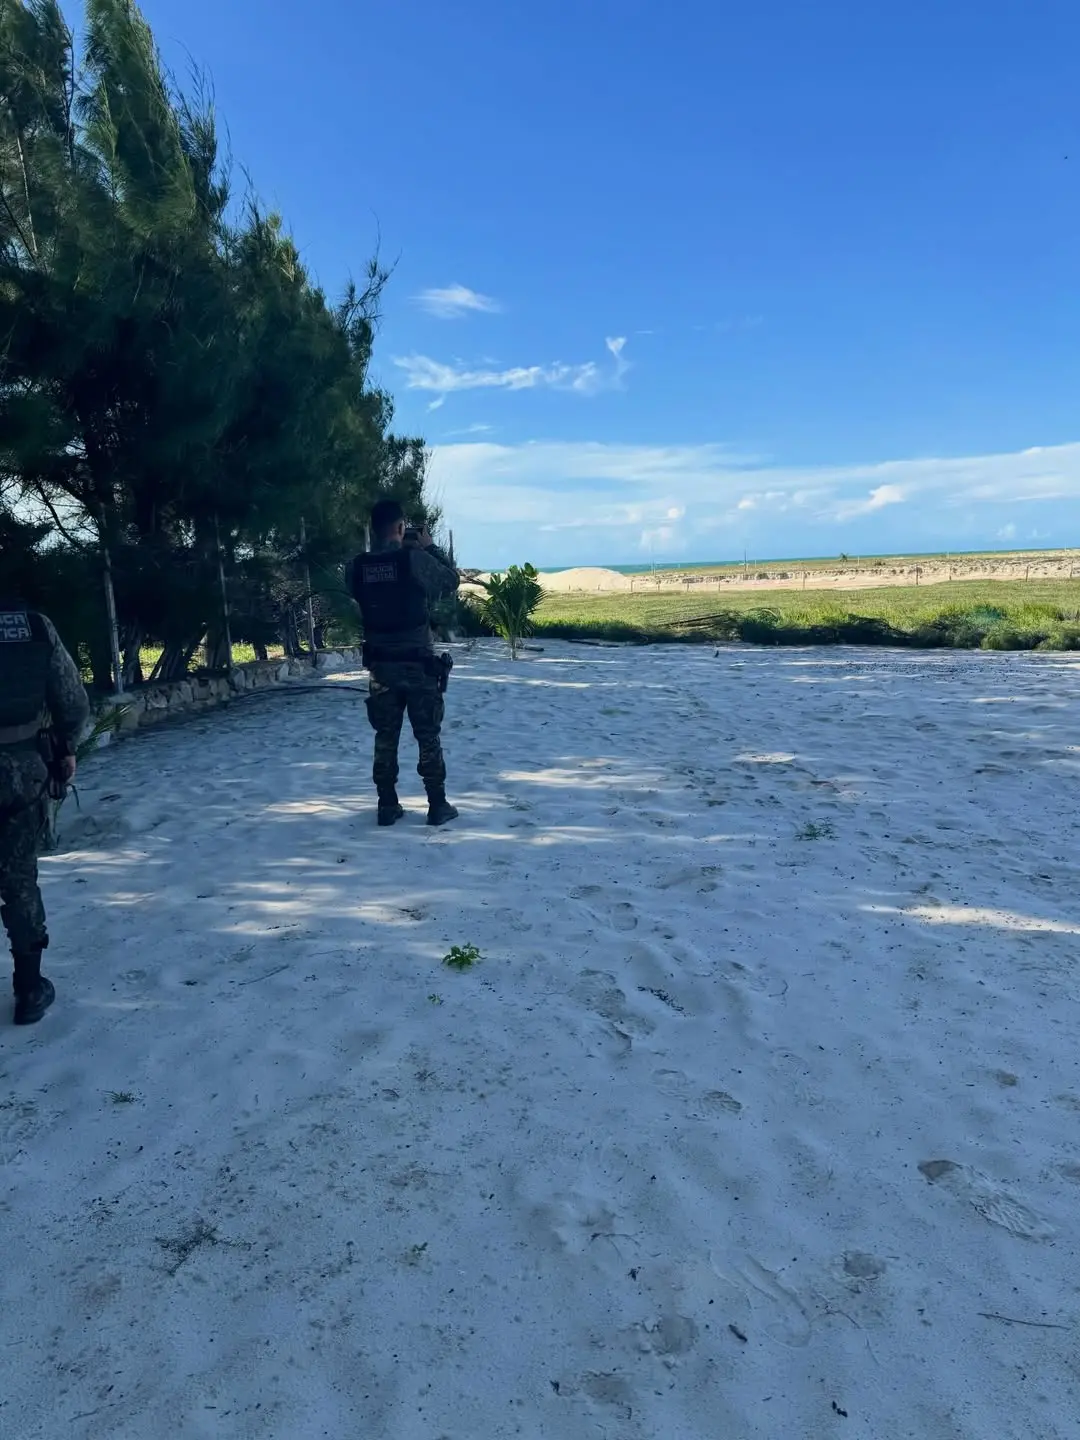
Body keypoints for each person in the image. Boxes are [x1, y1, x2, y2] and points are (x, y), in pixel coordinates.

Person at [0, 601, 90, 1024]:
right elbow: (71, 701)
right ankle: (30, 989)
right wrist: (66, 746)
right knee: (18, 879)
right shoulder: (33, 627)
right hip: (20, 773)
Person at [350, 501, 461, 827]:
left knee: (385, 736)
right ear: (401, 528)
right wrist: (429, 548)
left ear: (373, 529)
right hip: (417, 665)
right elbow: (450, 582)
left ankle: (387, 805)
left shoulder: (355, 568)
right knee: (427, 736)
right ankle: (437, 805)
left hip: (380, 667)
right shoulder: (414, 560)